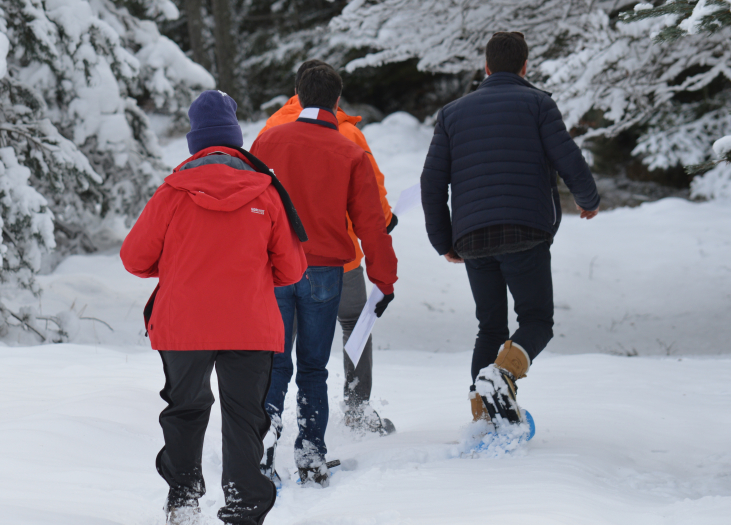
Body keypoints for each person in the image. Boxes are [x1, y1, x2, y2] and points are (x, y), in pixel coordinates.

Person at [120, 90, 307, 525]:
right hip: (250, 327)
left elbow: (134, 258)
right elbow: (292, 269)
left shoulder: (172, 192)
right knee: (245, 423)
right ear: (236, 139)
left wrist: (180, 264)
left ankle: (183, 512)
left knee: (185, 412)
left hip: (183, 327)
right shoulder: (266, 191)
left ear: (195, 143)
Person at [420, 32, 600, 425]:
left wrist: (443, 240)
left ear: (485, 68)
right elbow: (567, 157)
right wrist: (587, 199)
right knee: (536, 321)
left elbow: (432, 183)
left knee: (490, 327)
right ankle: (503, 375)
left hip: (472, 237)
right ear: (525, 66)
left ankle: (483, 417)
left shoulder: (451, 114)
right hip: (525, 231)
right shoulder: (538, 104)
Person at [250, 63, 398, 485]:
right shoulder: (349, 151)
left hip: (277, 267)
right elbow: (372, 224)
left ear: (296, 93)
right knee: (313, 368)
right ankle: (311, 455)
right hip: (325, 271)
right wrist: (385, 280)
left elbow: (249, 205)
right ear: (338, 101)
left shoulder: (267, 141)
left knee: (275, 364)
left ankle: (262, 449)